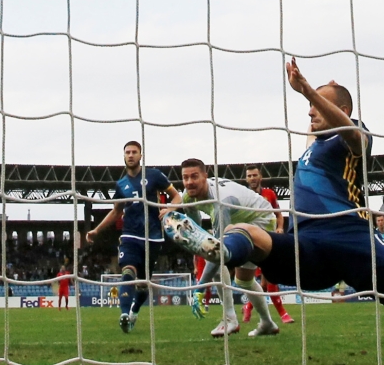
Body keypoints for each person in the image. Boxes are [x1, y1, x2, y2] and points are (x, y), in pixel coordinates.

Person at [162, 58, 384, 365]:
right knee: (246, 233)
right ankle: (218, 249)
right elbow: (320, 117)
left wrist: (310, 91)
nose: (310, 112)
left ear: (341, 111)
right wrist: (312, 90)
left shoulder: (355, 135)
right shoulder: (309, 149)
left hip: (353, 242)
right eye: (310, 108)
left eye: (317, 108)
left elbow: (346, 126)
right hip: (309, 248)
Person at [86, 140, 182, 333]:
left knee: (143, 284)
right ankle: (123, 314)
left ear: (141, 155)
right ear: (124, 156)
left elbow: (177, 196)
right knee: (128, 271)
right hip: (130, 236)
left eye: (134, 152)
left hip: (153, 238)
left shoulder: (154, 175)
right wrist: (97, 230)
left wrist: (170, 208)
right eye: (127, 152)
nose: (130, 155)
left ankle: (134, 312)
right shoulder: (120, 185)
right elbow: (116, 212)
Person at [181, 159, 280, 338]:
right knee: (243, 280)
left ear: (205, 176)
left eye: (194, 176)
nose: (189, 182)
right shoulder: (187, 196)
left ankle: (230, 319)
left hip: (261, 219)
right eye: (185, 177)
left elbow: (217, 252)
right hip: (240, 221)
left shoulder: (221, 203)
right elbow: (195, 220)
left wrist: (199, 288)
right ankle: (267, 323)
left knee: (218, 259)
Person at [243, 165, 293, 325]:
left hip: (269, 240)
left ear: (260, 177)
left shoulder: (269, 194)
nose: (252, 178)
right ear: (246, 179)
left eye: (254, 175)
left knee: (269, 278)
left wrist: (279, 228)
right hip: (251, 241)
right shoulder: (243, 196)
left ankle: (277, 312)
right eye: (249, 176)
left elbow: (279, 215)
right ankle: (277, 312)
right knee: (263, 280)